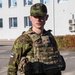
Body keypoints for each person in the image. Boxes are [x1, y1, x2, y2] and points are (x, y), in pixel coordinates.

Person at [7, 3, 64, 75]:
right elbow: (12, 67)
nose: (38, 19)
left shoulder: (50, 37)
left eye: (41, 16)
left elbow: (55, 63)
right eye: (35, 16)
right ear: (30, 18)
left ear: (46, 17)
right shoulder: (23, 40)